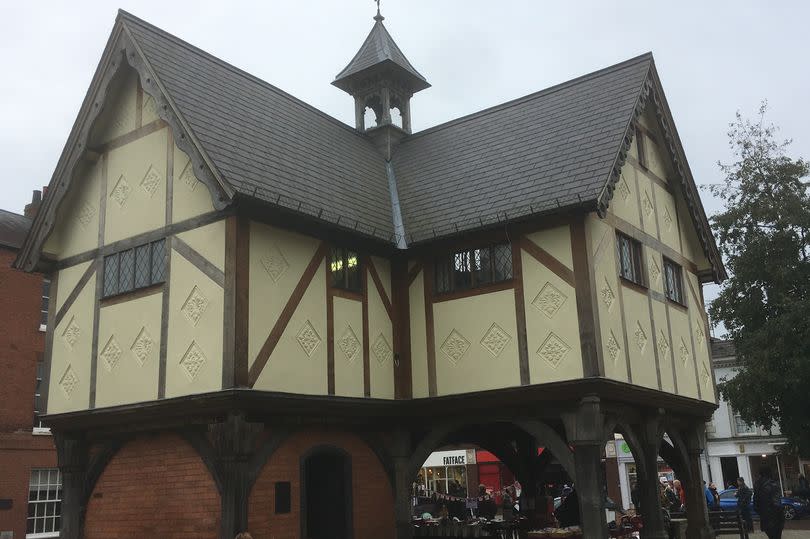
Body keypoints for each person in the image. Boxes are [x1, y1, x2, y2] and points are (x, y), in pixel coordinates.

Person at [754, 466, 785, 539]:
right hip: (775, 516)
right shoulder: (772, 484)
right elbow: (777, 503)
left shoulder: (757, 484)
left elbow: (755, 504)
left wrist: (762, 512)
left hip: (765, 516)